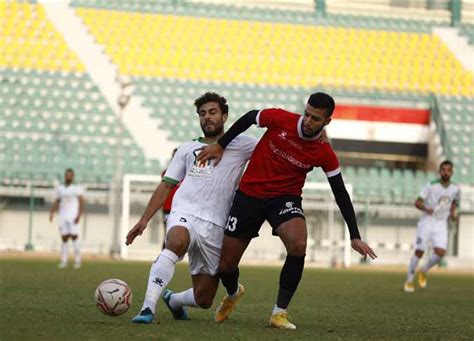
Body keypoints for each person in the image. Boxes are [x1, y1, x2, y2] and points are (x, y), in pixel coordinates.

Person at [197, 92, 377, 330]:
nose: (308, 121)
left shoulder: (324, 152)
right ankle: (233, 293)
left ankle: (279, 313)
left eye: (315, 119)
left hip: (284, 199)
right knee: (226, 266)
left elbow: (340, 192)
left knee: (299, 243)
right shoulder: (281, 119)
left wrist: (354, 235)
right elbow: (251, 117)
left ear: (327, 122)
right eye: (307, 114)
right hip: (249, 195)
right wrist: (221, 144)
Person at [125, 92, 257, 324]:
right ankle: (147, 308)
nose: (207, 117)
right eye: (202, 113)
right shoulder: (187, 149)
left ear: (225, 116)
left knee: (204, 299)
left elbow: (274, 149)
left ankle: (174, 300)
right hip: (184, 213)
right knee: (175, 241)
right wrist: (144, 220)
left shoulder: (243, 145)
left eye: (212, 112)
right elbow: (166, 186)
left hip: (216, 225)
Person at [403, 160, 460, 293]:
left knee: (440, 253)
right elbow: (417, 202)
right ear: (440, 171)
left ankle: (423, 270)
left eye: (448, 170)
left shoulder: (456, 189)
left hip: (441, 224)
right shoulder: (431, 186)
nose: (445, 172)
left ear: (452, 172)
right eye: (443, 170)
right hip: (427, 222)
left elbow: (453, 203)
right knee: (419, 251)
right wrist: (426, 208)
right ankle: (409, 280)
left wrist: (453, 214)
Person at [49, 168, 85, 269]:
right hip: (62, 216)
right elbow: (57, 201)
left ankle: (78, 260)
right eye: (67, 175)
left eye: (70, 175)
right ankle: (64, 261)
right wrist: (52, 213)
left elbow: (82, 201)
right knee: (64, 238)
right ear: (65, 176)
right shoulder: (60, 189)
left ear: (73, 176)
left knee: (74, 237)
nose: (68, 176)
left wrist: (79, 215)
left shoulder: (76, 188)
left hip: (73, 216)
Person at [161, 148, 180, 250]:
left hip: (182, 208)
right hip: (168, 209)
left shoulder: (189, 173)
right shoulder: (167, 173)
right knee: (168, 235)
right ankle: (164, 258)